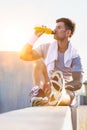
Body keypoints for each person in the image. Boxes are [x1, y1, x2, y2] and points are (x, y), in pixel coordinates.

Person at [20, 17, 83, 107]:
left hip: (66, 89)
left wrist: (58, 87)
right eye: (55, 27)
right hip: (48, 87)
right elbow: (23, 55)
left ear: (68, 32)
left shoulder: (74, 55)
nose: (54, 30)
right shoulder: (46, 47)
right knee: (38, 63)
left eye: (59, 27)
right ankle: (38, 93)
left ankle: (57, 98)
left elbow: (78, 82)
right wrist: (35, 36)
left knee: (67, 95)